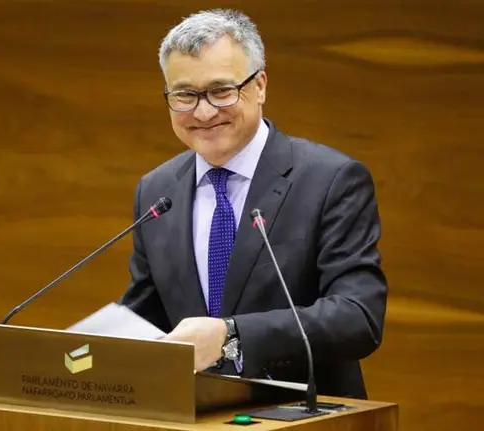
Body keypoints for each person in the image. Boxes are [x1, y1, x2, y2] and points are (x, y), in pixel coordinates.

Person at [118, 8, 387, 399]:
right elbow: (149, 318)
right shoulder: (157, 191)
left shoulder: (330, 180)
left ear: (260, 86)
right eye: (184, 95)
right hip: (194, 418)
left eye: (221, 91)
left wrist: (232, 335)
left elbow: (358, 318)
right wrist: (81, 356)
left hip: (300, 415)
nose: (203, 112)